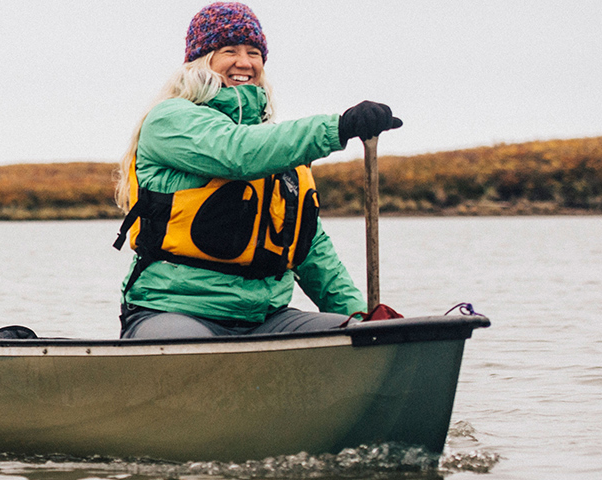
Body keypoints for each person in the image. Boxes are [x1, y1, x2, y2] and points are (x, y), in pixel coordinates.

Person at [111, 2, 403, 339]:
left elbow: (313, 253)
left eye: (254, 52)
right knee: (190, 346)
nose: (244, 62)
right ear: (200, 61)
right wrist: (337, 128)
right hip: (173, 311)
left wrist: (365, 322)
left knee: (358, 331)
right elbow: (238, 153)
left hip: (266, 318)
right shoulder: (170, 120)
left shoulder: (277, 146)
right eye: (229, 50)